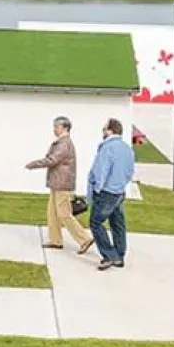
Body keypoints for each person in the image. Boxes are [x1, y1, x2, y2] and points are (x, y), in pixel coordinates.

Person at [25, 116, 94, 254]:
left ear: (65, 128)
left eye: (57, 126)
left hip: (62, 184)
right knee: (52, 213)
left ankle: (85, 239)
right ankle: (55, 240)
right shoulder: (61, 142)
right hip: (57, 183)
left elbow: (52, 160)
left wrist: (33, 164)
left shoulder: (64, 143)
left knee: (63, 214)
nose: (54, 129)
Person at [87, 117, 136, 271]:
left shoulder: (107, 148)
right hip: (119, 192)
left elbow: (102, 171)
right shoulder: (127, 148)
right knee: (118, 224)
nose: (102, 131)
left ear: (110, 130)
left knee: (95, 223)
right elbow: (130, 172)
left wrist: (97, 189)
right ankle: (120, 256)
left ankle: (109, 255)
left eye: (104, 129)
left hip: (106, 192)